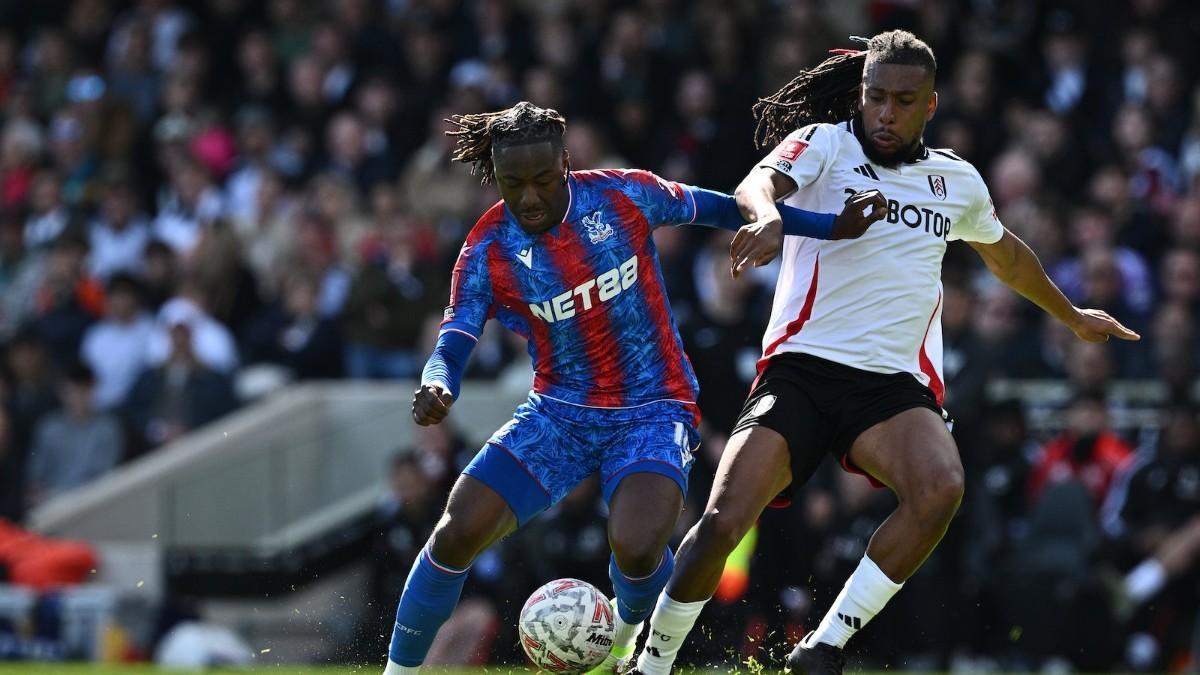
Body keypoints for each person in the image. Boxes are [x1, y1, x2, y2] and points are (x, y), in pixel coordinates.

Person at [632, 31, 1140, 675]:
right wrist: (767, 216)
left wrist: (1072, 316)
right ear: (862, 94)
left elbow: (1007, 256)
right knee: (723, 521)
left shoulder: (955, 180)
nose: (886, 113)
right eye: (876, 97)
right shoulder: (825, 144)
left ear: (931, 105)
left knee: (941, 487)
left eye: (903, 101)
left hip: (892, 388)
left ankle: (823, 647)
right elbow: (758, 185)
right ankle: (651, 664)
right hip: (801, 371)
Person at [381, 101, 885, 674]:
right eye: (513, 184)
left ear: (565, 163)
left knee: (639, 547)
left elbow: (722, 208)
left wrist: (830, 225)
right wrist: (438, 381)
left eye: (542, 179)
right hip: (558, 412)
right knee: (455, 531)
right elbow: (455, 337)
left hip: (653, 407)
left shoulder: (623, 195)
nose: (530, 197)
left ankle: (623, 650)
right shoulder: (487, 249)